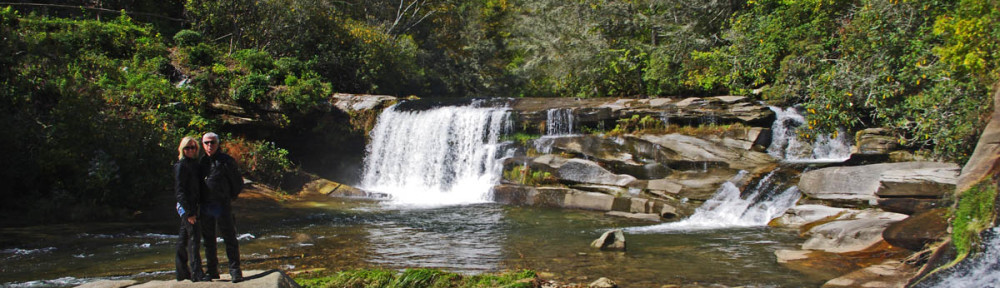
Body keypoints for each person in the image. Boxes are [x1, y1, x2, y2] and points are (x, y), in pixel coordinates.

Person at [198, 132, 245, 283]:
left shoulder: (226, 161)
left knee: (229, 237)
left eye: (212, 142)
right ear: (202, 144)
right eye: (206, 143)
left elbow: (237, 182)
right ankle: (212, 271)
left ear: (218, 144)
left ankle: (235, 271)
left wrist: (229, 197)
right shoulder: (201, 162)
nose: (209, 145)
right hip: (205, 205)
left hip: (222, 204)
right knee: (208, 240)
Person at [174, 136, 204, 282]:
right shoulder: (181, 165)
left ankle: (181, 273)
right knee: (194, 238)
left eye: (193, 147)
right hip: (187, 207)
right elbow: (180, 191)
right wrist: (189, 213)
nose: (191, 150)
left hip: (194, 205)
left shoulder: (195, 164)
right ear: (182, 149)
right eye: (187, 148)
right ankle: (196, 274)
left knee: (183, 239)